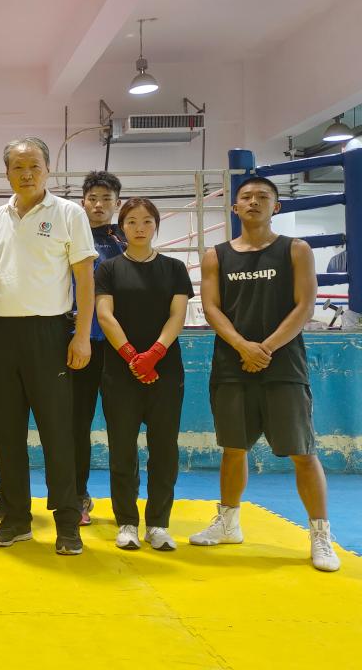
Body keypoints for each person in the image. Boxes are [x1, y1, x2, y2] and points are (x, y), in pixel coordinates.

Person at [190, 176, 339, 572]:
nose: (253, 201)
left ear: (276, 206)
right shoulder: (216, 255)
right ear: (235, 207)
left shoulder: (296, 249)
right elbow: (211, 308)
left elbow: (305, 306)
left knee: (303, 452)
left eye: (262, 197)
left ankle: (320, 534)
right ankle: (228, 523)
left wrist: (266, 348)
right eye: (246, 196)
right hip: (232, 365)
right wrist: (243, 346)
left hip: (283, 365)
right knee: (233, 448)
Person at [0, 137, 96, 555]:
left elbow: (84, 279)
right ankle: (16, 518)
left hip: (49, 335)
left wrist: (82, 335)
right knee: (6, 433)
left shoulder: (69, 214)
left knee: (57, 433)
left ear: (48, 169)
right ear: (7, 172)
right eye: (18, 167)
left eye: (34, 166)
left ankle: (67, 522)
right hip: (0, 335)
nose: (26, 174)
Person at [95, 198, 193, 551]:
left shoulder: (174, 268)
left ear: (156, 226)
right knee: (122, 449)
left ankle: (158, 524)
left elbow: (177, 315)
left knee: (164, 449)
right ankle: (126, 522)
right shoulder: (108, 269)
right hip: (120, 372)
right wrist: (131, 356)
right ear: (122, 227)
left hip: (165, 371)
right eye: (132, 221)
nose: (139, 228)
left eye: (147, 221)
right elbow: (105, 315)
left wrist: (154, 355)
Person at [72, 170, 126, 525]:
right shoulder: (71, 236)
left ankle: (125, 504)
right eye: (93, 198)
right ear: (83, 202)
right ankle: (78, 496)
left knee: (122, 425)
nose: (98, 205)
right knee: (76, 424)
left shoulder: (128, 238)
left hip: (119, 347)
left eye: (106, 199)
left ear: (116, 204)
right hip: (79, 344)